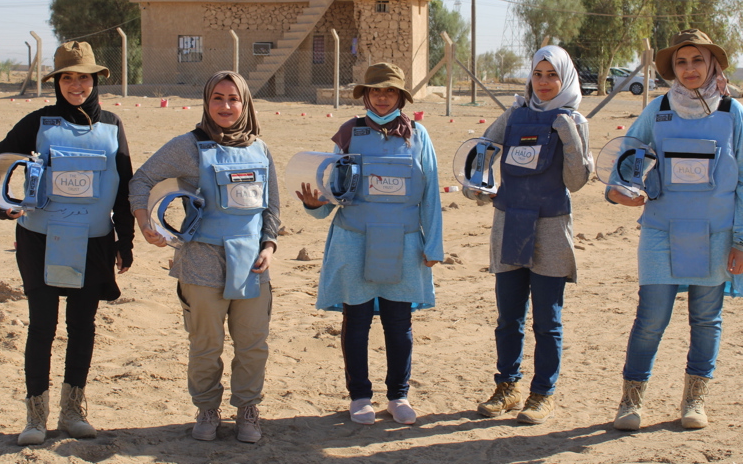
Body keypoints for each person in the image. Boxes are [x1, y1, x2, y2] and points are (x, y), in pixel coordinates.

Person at [0, 41, 134, 445]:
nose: (76, 85)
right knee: (42, 326)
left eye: (84, 77)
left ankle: (73, 411)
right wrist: (3, 208)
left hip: (93, 242)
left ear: (96, 80)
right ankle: (35, 417)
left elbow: (124, 187)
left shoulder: (112, 125)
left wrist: (125, 242)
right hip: (40, 240)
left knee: (82, 327)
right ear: (57, 81)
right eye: (67, 77)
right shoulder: (37, 122)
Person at [129, 71, 279, 444]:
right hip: (201, 262)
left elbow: (271, 207)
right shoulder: (188, 146)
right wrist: (147, 223)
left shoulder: (260, 149)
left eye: (233, 99)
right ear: (206, 103)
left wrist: (269, 245)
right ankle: (207, 409)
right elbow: (141, 180)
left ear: (245, 104)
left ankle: (247, 410)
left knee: (252, 344)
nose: (225, 106)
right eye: (217, 98)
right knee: (206, 344)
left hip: (250, 264)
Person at [607, 29, 743, 431]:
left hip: (714, 234)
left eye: (697, 60)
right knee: (650, 318)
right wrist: (622, 191)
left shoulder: (732, 113)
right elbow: (629, 156)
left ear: (712, 64)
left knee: (706, 319)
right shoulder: (658, 109)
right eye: (681, 62)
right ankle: (630, 403)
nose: (689, 69)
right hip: (660, 231)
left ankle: (694, 401)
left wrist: (740, 239)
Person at [296, 62, 443, 425]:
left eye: (389, 91)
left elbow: (432, 195)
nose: (381, 97)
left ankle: (398, 395)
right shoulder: (348, 132)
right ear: (364, 95)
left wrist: (433, 245)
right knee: (356, 319)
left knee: (399, 321)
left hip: (405, 241)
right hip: (353, 240)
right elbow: (331, 187)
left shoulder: (419, 136)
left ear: (401, 97)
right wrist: (313, 206)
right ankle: (359, 396)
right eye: (375, 90)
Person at [471, 45, 592, 424]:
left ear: (565, 78)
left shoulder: (575, 120)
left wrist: (569, 136)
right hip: (510, 225)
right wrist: (477, 184)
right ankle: (508, 387)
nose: (543, 82)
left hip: (552, 227)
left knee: (547, 319)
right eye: (538, 74)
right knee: (509, 316)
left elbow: (577, 180)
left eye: (551, 75)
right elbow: (482, 153)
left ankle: (543, 393)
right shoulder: (514, 116)